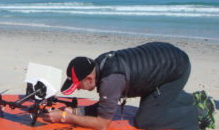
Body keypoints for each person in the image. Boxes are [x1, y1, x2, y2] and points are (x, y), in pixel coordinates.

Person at [43, 42, 216, 130]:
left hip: (176, 69)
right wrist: (76, 111)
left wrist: (65, 117)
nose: (78, 89)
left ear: (89, 78)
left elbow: (103, 123)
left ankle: (198, 114)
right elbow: (106, 104)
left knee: (145, 120)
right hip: (167, 60)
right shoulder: (100, 63)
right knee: (152, 104)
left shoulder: (110, 81)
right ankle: (194, 99)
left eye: (78, 85)